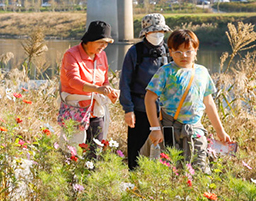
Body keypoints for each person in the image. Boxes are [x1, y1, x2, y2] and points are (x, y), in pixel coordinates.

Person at [145, 29, 232, 174]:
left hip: (195, 129)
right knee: (169, 171)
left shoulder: (202, 72)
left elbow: (209, 103)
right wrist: (155, 128)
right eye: (178, 52)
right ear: (170, 51)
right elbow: (149, 98)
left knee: (200, 170)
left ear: (196, 51)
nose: (183, 55)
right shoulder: (165, 72)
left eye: (188, 51)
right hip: (170, 129)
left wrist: (220, 131)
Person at [119, 14, 171, 169]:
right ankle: (134, 178)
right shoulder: (135, 52)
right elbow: (125, 82)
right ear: (145, 33)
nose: (158, 35)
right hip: (140, 109)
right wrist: (128, 110)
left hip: (164, 111)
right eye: (154, 32)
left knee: (165, 151)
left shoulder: (169, 51)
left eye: (161, 31)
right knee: (137, 151)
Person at [58, 20, 120, 148]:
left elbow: (104, 81)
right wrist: (98, 89)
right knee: (73, 150)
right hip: (76, 109)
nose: (104, 46)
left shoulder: (102, 55)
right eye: (101, 42)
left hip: (95, 111)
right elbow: (73, 80)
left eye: (106, 43)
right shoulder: (71, 55)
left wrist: (109, 91)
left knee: (96, 149)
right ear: (90, 39)